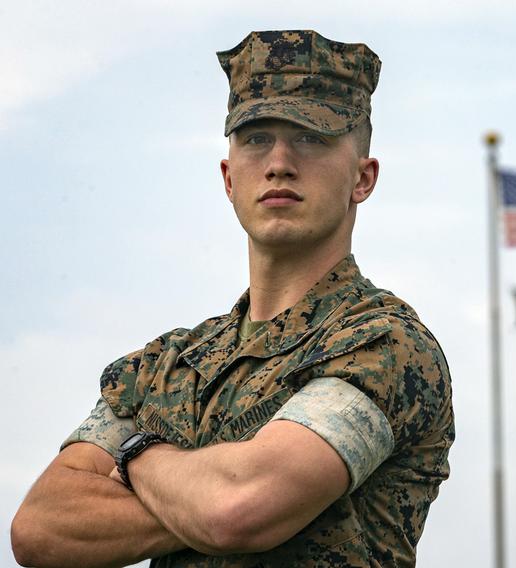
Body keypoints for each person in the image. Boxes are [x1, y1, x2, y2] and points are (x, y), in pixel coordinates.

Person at [11, 29, 454, 568]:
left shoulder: (382, 344)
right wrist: (201, 497)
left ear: (363, 178)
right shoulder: (167, 366)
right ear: (228, 177)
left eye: (312, 138)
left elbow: (238, 508)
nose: (280, 162)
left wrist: (138, 457)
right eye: (255, 138)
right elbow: (40, 529)